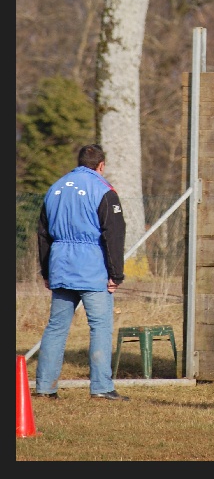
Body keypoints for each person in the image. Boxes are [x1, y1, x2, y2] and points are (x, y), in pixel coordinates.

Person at [35, 144, 129, 401]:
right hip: (91, 267)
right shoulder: (104, 191)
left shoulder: (55, 188)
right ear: (101, 165)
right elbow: (114, 235)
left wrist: (46, 271)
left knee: (56, 327)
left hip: (61, 265)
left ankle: (44, 387)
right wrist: (116, 274)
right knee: (99, 326)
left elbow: (43, 234)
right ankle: (100, 387)